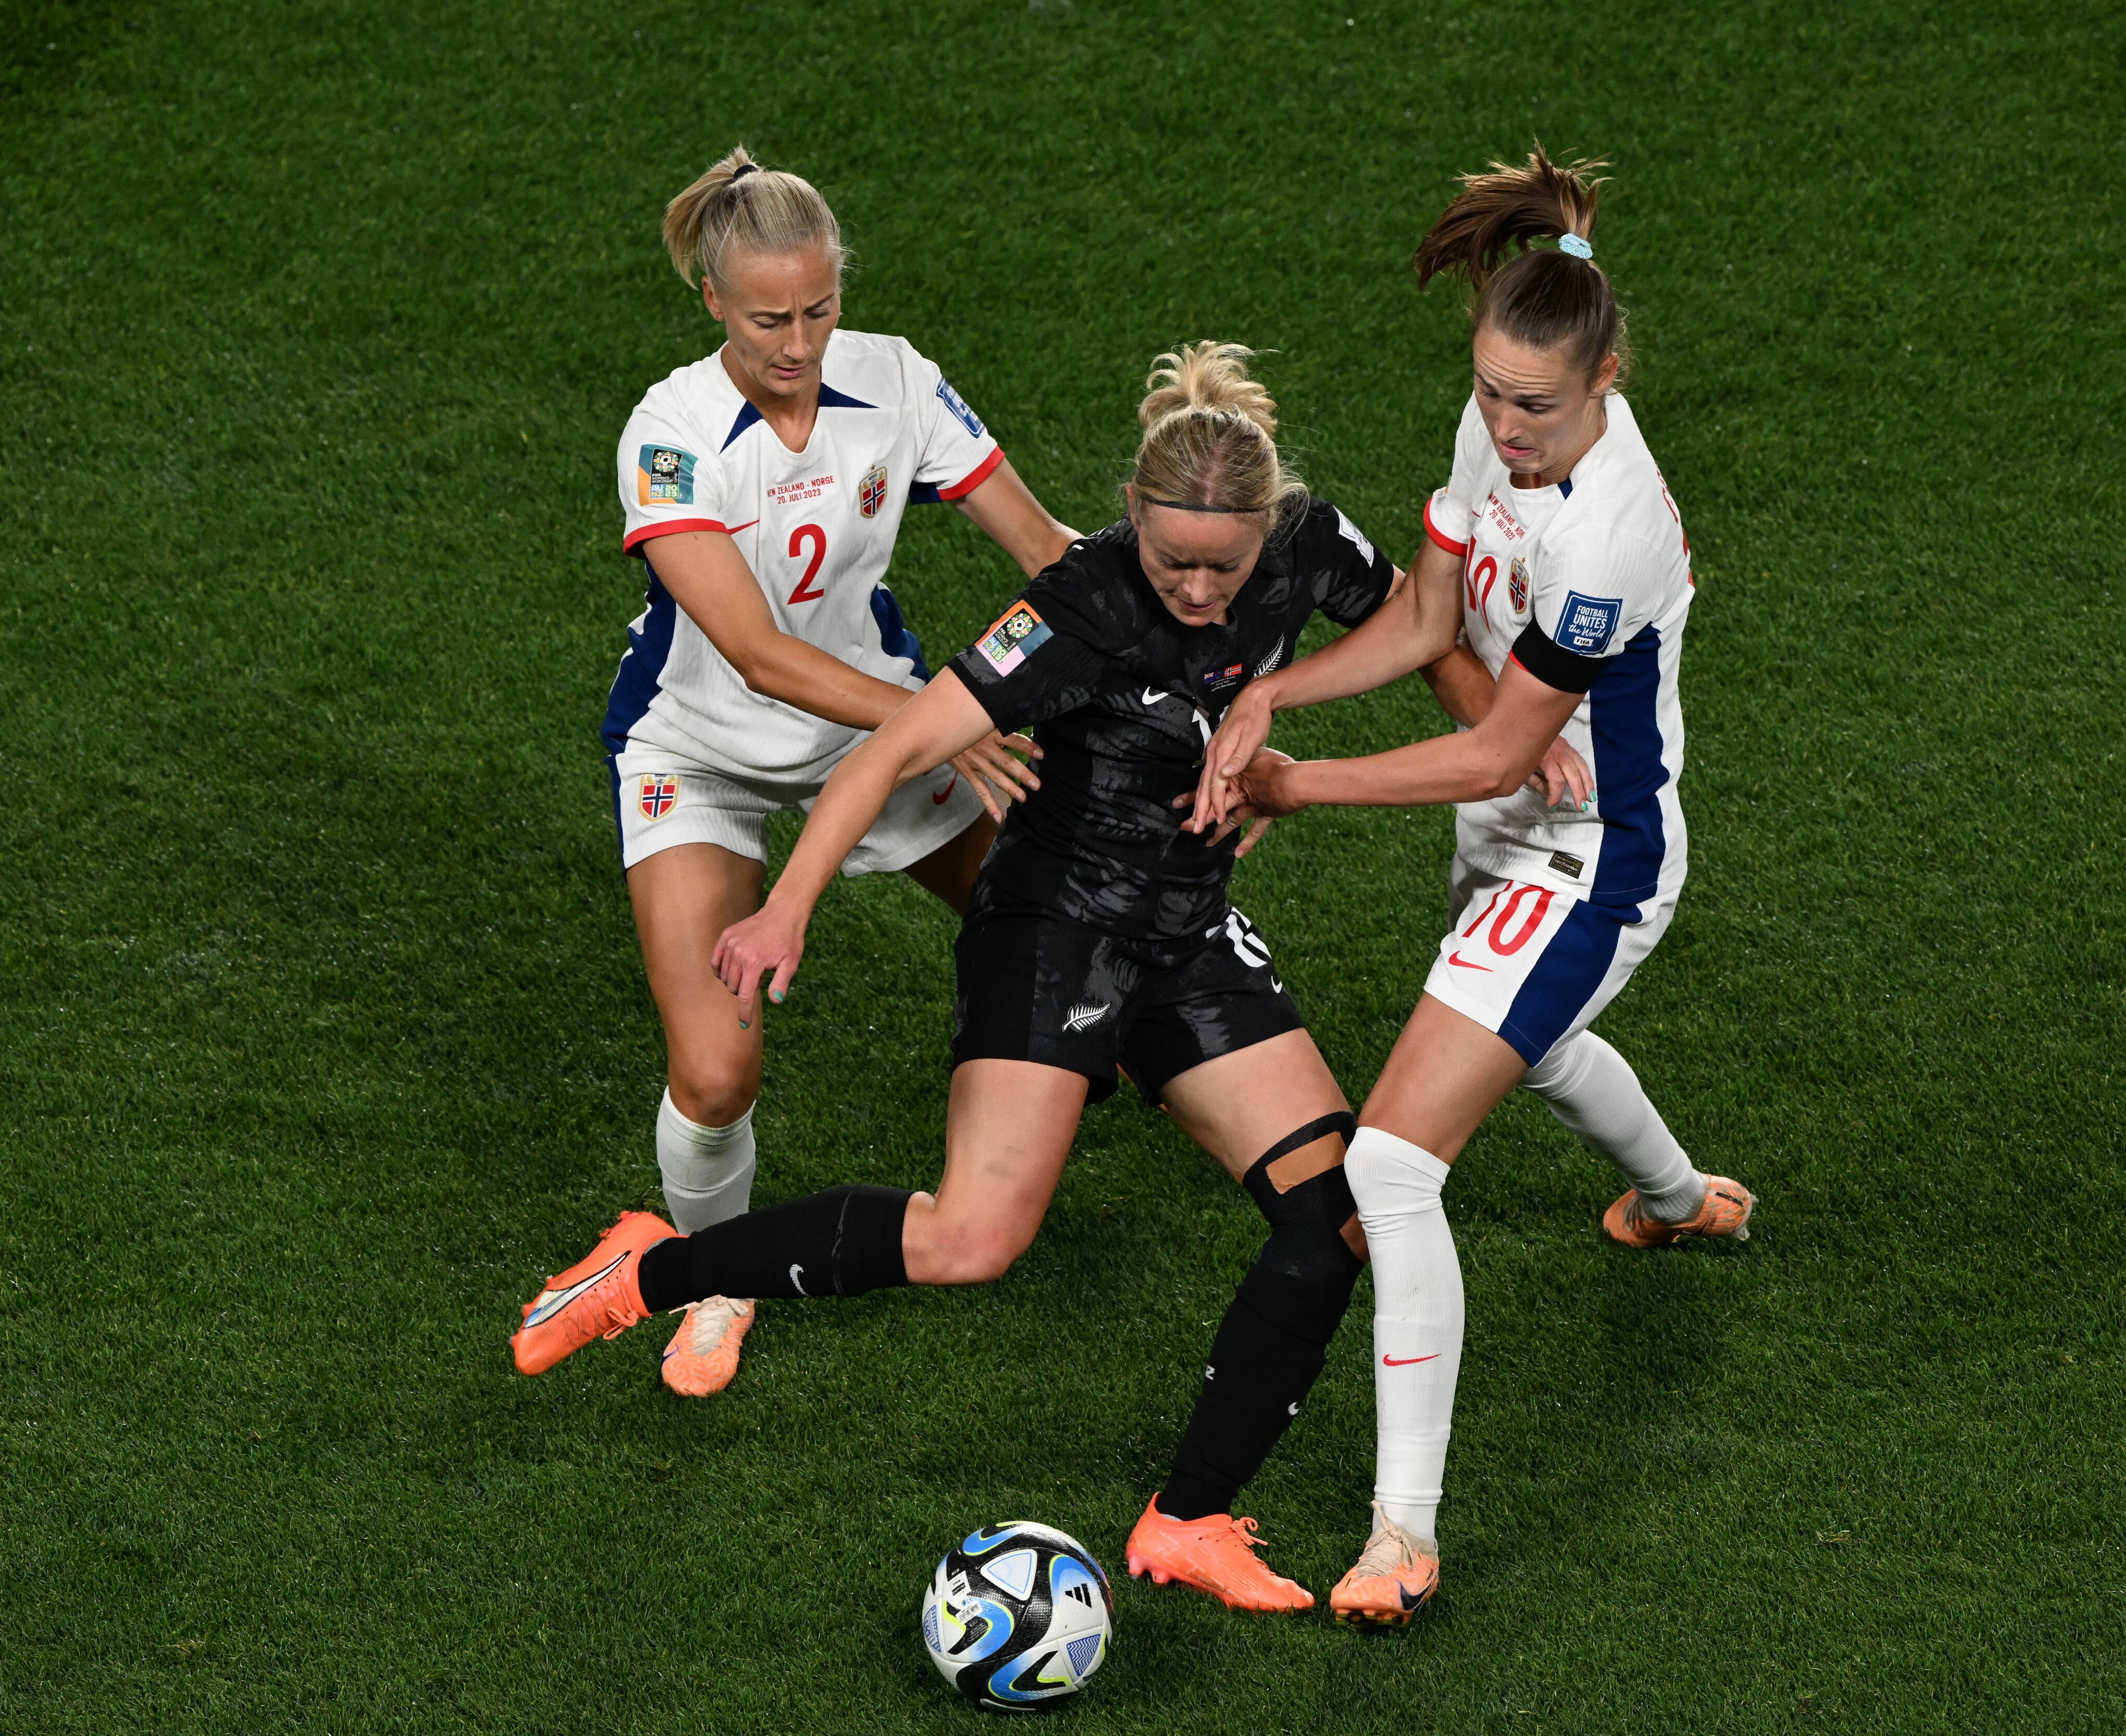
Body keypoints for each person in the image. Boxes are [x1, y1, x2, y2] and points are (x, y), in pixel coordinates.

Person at [520, 343, 1401, 1615]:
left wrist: (1507, 738)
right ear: (1132, 526)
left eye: (1229, 562)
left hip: (1187, 926)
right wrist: (784, 908)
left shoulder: (1311, 545)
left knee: (1339, 1216)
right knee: (969, 1240)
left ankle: (1188, 1518)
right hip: (1054, 931)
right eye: (1174, 562)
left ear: (1270, 525)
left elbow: (1433, 617)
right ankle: (651, 1270)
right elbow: (892, 755)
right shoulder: (1077, 603)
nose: (1204, 590)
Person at [1187, 148, 1756, 1625]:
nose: (1504, 426)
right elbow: (1430, 614)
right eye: (1491, 392)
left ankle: (1402, 1536)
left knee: (1390, 1162)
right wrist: (1277, 701)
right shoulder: (1490, 433)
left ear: (1608, 379)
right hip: (1511, 834)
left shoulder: (1611, 527)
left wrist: (1298, 785)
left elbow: (1506, 735)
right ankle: (1681, 1198)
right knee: (1536, 1043)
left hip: (1595, 856)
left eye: (1536, 405)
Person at [601, 147, 1079, 1400]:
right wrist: (948, 712)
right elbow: (755, 655)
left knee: (1076, 926)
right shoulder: (668, 436)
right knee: (714, 1069)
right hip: (703, 753)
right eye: (769, 319)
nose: (800, 342)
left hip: (884, 727)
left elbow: (1044, 550)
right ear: (711, 299)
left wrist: (1165, 615)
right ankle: (714, 1277)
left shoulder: (897, 378)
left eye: (819, 310)